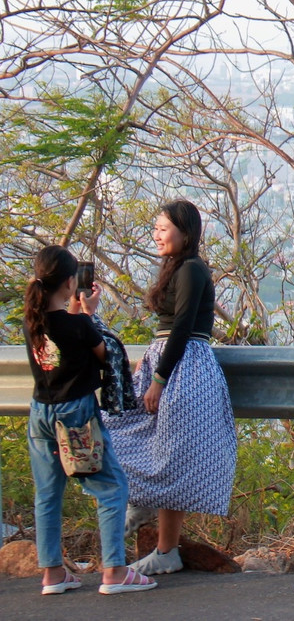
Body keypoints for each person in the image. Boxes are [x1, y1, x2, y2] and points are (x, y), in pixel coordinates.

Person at [109, 200, 237, 575]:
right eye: (156, 228)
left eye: (163, 228)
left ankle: (166, 549)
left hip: (183, 369)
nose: (156, 234)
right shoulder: (179, 268)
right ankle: (143, 501)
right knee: (124, 430)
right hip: (168, 361)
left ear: (185, 232)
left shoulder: (192, 270)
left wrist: (160, 380)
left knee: (170, 453)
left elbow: (182, 327)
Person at [24, 245, 157, 595]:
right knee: (112, 487)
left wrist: (79, 313)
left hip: (40, 414)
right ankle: (114, 570)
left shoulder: (32, 322)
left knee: (48, 494)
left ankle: (52, 573)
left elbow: (63, 332)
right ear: (71, 283)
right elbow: (104, 352)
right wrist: (90, 313)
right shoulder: (80, 325)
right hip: (77, 414)